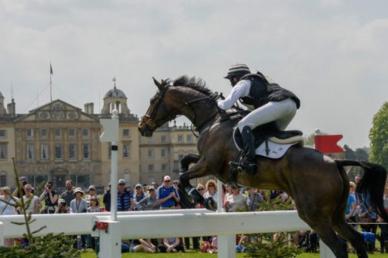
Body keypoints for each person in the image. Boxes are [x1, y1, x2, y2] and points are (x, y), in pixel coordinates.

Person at [218, 64, 300, 173]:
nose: (231, 84)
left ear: (235, 78)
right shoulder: (257, 81)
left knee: (243, 124)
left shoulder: (243, 83)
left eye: (231, 80)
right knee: (269, 132)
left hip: (279, 104)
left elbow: (226, 105)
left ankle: (249, 161)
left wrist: (216, 100)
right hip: (291, 106)